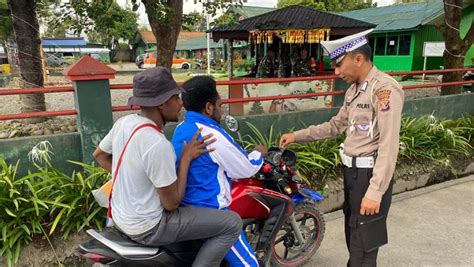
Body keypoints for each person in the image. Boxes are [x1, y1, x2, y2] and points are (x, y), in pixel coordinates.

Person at [93, 67, 242, 267]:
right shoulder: (156, 143)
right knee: (232, 223)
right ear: (162, 103)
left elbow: (100, 155)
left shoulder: (124, 123)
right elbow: (171, 203)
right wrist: (186, 158)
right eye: (176, 98)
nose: (181, 104)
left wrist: (134, 180)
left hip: (120, 217)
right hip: (149, 226)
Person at [279, 29, 404, 266]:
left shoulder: (384, 90)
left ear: (358, 59)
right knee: (353, 235)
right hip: (352, 174)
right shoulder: (353, 91)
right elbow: (335, 126)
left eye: (338, 64)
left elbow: (388, 145)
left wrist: (376, 191)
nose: (336, 72)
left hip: (369, 176)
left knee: (363, 246)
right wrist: (296, 135)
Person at [171, 76, 271, 266]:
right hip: (210, 211)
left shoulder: (182, 128)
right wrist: (258, 153)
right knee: (250, 264)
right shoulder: (210, 134)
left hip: (185, 209)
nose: (222, 109)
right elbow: (245, 168)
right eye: (220, 105)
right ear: (209, 108)